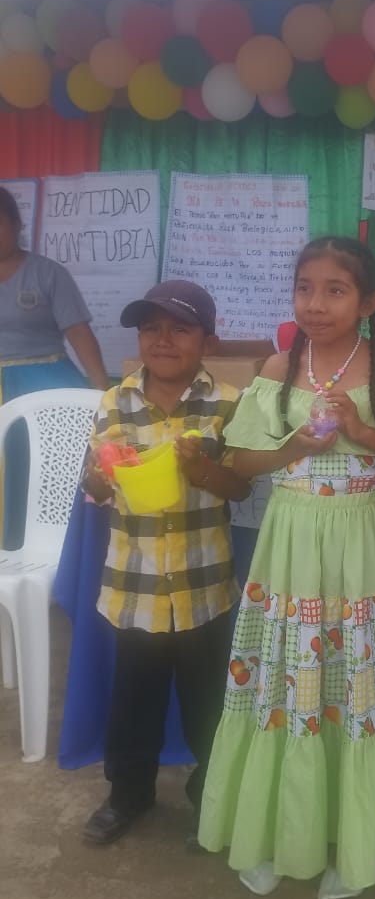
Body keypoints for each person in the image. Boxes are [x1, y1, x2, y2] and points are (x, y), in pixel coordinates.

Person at [198, 237, 375, 899]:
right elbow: (241, 461)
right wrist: (292, 446)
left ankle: (350, 842)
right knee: (288, 677)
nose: (316, 303)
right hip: (290, 542)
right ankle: (279, 834)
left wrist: (365, 434)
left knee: (356, 679)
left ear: (369, 302)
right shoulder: (279, 368)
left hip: (361, 544)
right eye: (305, 287)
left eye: (336, 290)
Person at [80, 279, 250, 845]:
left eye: (180, 328)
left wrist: (201, 470)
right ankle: (128, 793)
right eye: (150, 328)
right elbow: (95, 492)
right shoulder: (114, 403)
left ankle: (212, 794)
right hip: (137, 587)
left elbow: (241, 489)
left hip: (205, 586)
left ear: (208, 341)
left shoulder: (228, 404)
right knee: (134, 700)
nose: (163, 339)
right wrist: (99, 478)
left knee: (209, 702)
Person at [0, 185, 108, 544]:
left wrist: (102, 394)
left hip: (44, 381)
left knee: (46, 471)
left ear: (16, 225)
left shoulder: (47, 273)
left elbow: (79, 333)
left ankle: (50, 549)